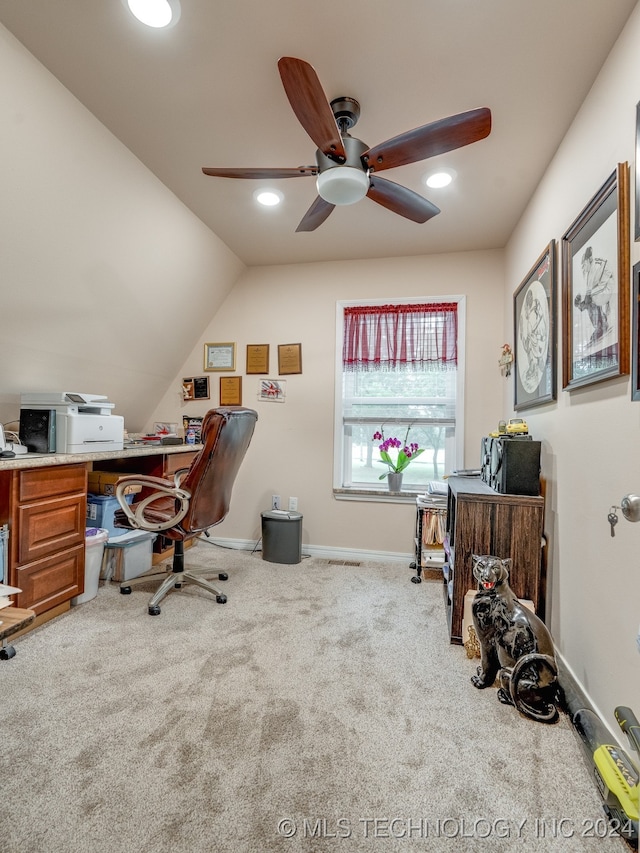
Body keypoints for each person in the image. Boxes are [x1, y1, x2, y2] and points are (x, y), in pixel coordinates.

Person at [574, 246, 613, 346]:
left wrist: (588, 296)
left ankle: (600, 325)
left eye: (584, 265)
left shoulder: (596, 266)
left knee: (589, 300)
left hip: (607, 288)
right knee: (588, 300)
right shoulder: (589, 271)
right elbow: (590, 289)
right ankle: (601, 322)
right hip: (601, 290)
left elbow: (602, 284)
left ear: (588, 261)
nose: (583, 268)